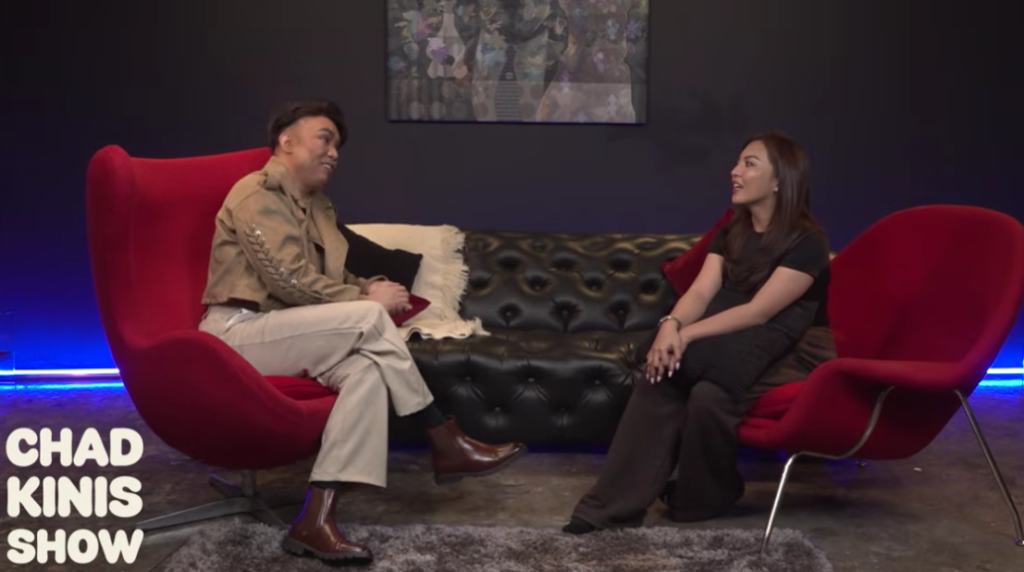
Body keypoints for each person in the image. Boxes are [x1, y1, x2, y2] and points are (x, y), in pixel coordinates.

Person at [198, 99, 527, 565]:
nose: (334, 152)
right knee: (370, 317)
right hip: (237, 331)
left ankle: (315, 518)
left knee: (368, 373)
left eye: (338, 145)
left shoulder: (318, 207)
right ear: (286, 141)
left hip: (285, 331)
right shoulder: (257, 193)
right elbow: (287, 280)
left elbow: (328, 277)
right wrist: (368, 301)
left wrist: (369, 286)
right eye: (324, 138)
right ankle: (443, 437)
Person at [562, 132, 837, 533]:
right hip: (738, 336)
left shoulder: (808, 241)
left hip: (796, 347)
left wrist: (687, 336)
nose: (735, 171)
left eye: (749, 164)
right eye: (737, 162)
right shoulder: (732, 231)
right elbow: (701, 292)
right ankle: (608, 507)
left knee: (711, 396)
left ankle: (704, 496)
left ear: (781, 180)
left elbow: (760, 310)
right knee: (662, 375)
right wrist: (670, 327)